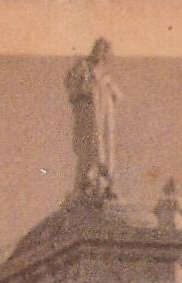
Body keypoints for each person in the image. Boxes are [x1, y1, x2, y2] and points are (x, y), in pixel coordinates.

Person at [65, 38, 120, 201]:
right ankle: (88, 182)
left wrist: (106, 89)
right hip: (89, 115)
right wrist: (86, 88)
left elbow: (116, 95)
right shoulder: (83, 67)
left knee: (105, 147)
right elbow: (72, 85)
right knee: (90, 148)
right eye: (100, 50)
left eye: (105, 51)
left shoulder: (106, 74)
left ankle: (104, 181)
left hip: (103, 116)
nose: (102, 54)